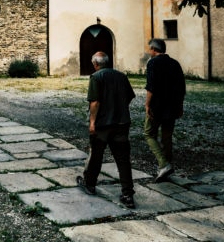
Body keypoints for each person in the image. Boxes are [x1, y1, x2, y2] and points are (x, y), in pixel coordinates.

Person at [77, 51, 137, 209]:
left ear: (96, 64)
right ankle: (127, 194)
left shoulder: (96, 77)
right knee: (123, 160)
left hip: (103, 125)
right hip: (121, 123)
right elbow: (130, 96)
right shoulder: (121, 76)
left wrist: (92, 123)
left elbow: (95, 103)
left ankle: (90, 184)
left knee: (96, 155)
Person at [144, 38, 186, 182]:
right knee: (167, 137)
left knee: (149, 133)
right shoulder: (175, 63)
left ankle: (164, 164)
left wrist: (147, 105)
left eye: (150, 49)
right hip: (172, 106)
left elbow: (151, 87)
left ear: (154, 49)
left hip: (157, 106)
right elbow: (182, 88)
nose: (149, 51)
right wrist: (180, 106)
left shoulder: (153, 63)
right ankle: (167, 166)